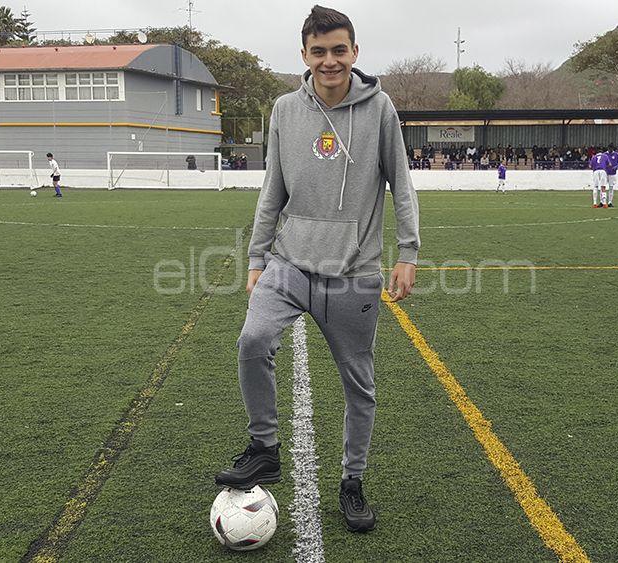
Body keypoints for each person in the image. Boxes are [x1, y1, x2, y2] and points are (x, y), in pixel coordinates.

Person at [214, 5, 420, 533]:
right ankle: (264, 447)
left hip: (354, 273)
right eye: (319, 51)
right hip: (288, 263)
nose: (330, 61)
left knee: (359, 386)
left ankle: (352, 482)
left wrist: (408, 253)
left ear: (355, 52)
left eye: (339, 50)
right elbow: (271, 191)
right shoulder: (285, 108)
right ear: (304, 55)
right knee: (252, 340)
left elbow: (402, 183)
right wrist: (258, 259)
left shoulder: (380, 109)